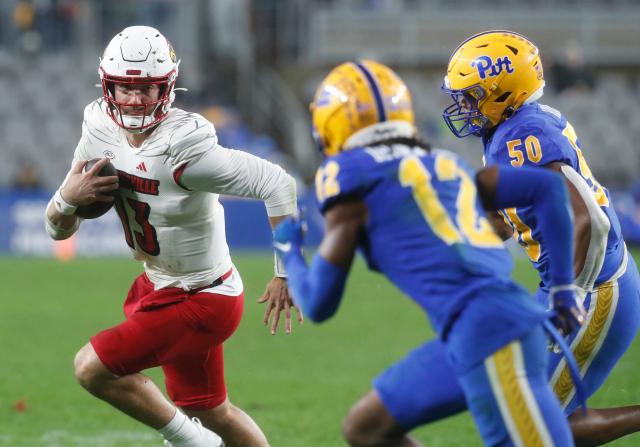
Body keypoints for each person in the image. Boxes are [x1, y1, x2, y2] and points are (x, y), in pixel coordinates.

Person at [274, 59, 586, 446]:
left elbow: (318, 302)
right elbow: (548, 189)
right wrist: (562, 288)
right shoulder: (444, 162)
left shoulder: (350, 180)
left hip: (493, 334)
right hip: (475, 331)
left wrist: (288, 248)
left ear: (331, 123)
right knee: (366, 427)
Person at [44, 26, 301, 447]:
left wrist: (286, 271)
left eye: (147, 88)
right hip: (159, 283)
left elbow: (279, 184)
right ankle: (201, 436)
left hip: (203, 297)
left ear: (168, 87)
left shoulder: (186, 147)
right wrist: (66, 198)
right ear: (107, 85)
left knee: (91, 368)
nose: (134, 99)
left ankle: (193, 442)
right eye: (124, 88)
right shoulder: (98, 127)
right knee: (211, 410)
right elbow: (58, 229)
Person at [442, 30, 640, 445]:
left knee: (531, 427)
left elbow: (587, 220)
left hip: (595, 288)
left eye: (472, 94)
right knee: (512, 405)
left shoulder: (522, 135)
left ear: (504, 92)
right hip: (573, 283)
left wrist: (569, 293)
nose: (462, 105)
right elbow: (504, 221)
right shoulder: (510, 128)